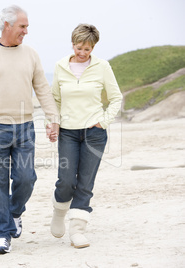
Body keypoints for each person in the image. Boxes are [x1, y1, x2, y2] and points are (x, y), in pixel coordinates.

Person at [0, 5, 60, 254]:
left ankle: (15, 212)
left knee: (27, 178)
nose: (26, 31)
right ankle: (2, 235)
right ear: (7, 25)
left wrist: (53, 119)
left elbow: (43, 89)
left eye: (26, 27)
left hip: (25, 127)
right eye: (22, 26)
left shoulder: (31, 54)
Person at [46, 23, 122, 248]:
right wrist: (52, 124)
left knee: (85, 183)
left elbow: (116, 97)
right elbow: (55, 100)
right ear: (73, 44)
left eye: (87, 49)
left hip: (94, 133)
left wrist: (104, 122)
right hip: (68, 132)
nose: (82, 53)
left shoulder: (102, 67)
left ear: (93, 48)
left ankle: (77, 230)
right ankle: (59, 213)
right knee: (67, 180)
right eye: (79, 48)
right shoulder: (61, 66)